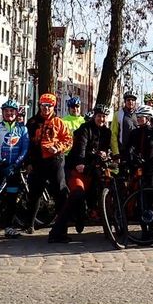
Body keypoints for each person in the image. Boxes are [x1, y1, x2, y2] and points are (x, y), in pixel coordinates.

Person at [51, 104, 112, 243]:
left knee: (103, 187)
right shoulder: (85, 129)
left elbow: (105, 148)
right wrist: (80, 162)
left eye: (103, 116)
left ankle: (95, 215)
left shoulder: (106, 132)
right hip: (78, 167)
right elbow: (80, 148)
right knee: (77, 193)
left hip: (94, 167)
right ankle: (57, 231)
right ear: (94, 116)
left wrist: (105, 154)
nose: (101, 119)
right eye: (99, 116)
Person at [26, 93, 74, 236]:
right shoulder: (32, 122)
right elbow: (27, 143)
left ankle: (61, 226)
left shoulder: (59, 122)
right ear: (39, 105)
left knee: (60, 191)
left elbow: (68, 140)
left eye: (49, 106)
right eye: (43, 105)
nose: (46, 108)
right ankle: (30, 224)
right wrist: (28, 162)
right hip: (37, 161)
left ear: (53, 107)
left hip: (55, 160)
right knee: (34, 193)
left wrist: (57, 147)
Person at [0, 98, 29, 237]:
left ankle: (9, 227)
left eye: (12, 111)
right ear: (2, 112)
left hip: (13, 168)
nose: (9, 113)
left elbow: (24, 149)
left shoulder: (22, 129)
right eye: (6, 111)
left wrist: (17, 163)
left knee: (12, 198)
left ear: (16, 113)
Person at [124, 105, 153, 191]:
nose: (138, 119)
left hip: (151, 169)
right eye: (137, 117)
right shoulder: (134, 132)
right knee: (136, 194)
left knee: (150, 193)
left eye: (141, 117)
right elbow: (129, 148)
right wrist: (131, 158)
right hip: (137, 167)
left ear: (147, 118)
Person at [110, 92, 138, 157]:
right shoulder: (118, 114)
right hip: (123, 150)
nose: (130, 102)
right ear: (125, 101)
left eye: (133, 100)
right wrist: (116, 152)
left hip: (137, 151)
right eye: (128, 100)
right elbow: (113, 134)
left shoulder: (139, 114)